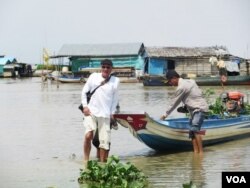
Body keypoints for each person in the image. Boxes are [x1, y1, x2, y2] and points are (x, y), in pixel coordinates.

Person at [160, 70, 208, 154]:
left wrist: (165, 114)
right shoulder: (191, 81)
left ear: (174, 78)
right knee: (192, 132)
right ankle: (196, 152)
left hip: (199, 109)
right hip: (194, 110)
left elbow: (174, 102)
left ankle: (201, 153)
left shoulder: (181, 87)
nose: (170, 84)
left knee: (195, 130)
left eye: (170, 81)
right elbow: (196, 94)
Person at [81, 59, 119, 162]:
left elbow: (115, 100)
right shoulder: (93, 76)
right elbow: (84, 92)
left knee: (104, 142)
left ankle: (102, 165)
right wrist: (85, 106)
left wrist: (112, 113)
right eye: (104, 67)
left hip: (106, 114)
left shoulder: (115, 81)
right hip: (91, 112)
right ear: (101, 67)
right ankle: (86, 161)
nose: (105, 69)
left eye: (108, 67)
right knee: (89, 135)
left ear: (111, 69)